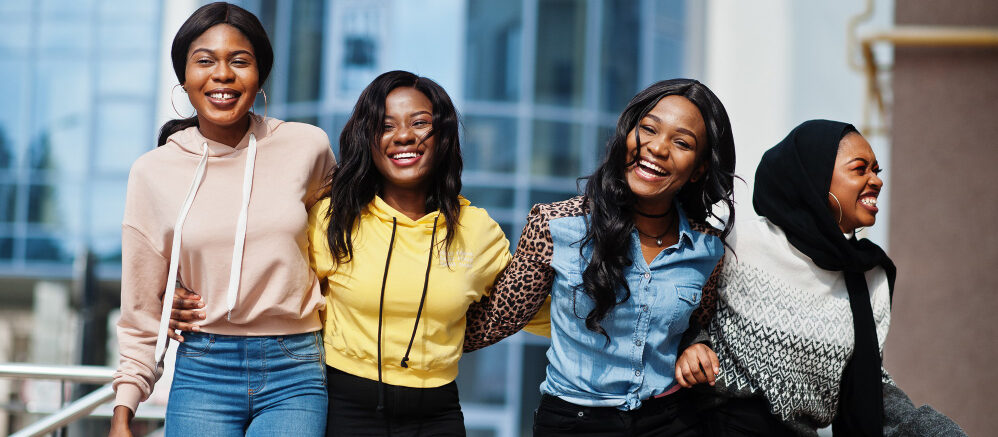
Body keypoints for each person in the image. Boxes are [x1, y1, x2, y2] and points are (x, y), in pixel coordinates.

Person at [463, 78, 737, 437]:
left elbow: (698, 327)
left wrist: (696, 345)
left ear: (699, 168)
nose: (657, 147)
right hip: (574, 423)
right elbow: (496, 319)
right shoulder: (556, 225)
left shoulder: (707, 246)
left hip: (671, 419)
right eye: (649, 129)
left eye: (682, 142)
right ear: (627, 135)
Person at [110, 3, 335, 436]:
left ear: (260, 75)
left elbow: (347, 245)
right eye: (205, 61)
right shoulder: (152, 172)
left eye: (240, 61)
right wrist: (124, 412)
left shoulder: (308, 147)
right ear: (185, 77)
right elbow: (140, 308)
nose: (223, 74)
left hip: (296, 368)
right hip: (203, 370)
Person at [678, 120, 966, 436]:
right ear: (813, 177)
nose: (876, 181)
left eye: (877, 171)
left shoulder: (869, 276)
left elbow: (867, 386)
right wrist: (694, 343)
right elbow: (676, 315)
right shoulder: (737, 244)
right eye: (860, 169)